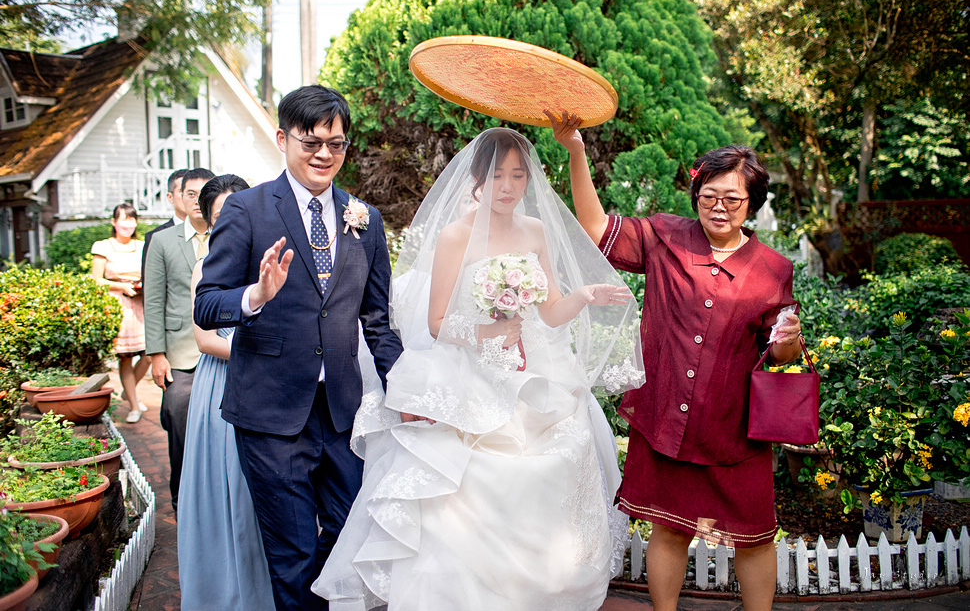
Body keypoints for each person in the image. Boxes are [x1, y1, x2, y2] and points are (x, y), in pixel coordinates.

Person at [311, 128, 646, 610]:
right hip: (469, 371)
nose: (508, 186)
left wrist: (583, 296)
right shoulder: (456, 236)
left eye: (518, 176)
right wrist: (489, 333)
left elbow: (549, 311)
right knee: (466, 480)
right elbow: (438, 320)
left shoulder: (534, 231)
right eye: (497, 175)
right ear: (476, 179)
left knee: (558, 456)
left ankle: (538, 590)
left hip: (531, 370)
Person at [548, 111, 803, 611]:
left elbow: (780, 353)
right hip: (667, 419)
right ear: (696, 195)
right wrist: (576, 149)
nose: (719, 207)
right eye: (709, 196)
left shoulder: (774, 270)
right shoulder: (665, 237)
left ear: (751, 203)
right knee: (668, 529)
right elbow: (596, 227)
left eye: (732, 199)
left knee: (753, 537)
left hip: (735, 428)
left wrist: (789, 339)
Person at [194, 85, 404, 611]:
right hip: (269, 414)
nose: (324, 154)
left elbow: (376, 319)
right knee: (292, 554)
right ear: (284, 139)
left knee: (348, 540)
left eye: (337, 144)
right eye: (312, 142)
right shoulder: (246, 209)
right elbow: (206, 305)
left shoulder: (365, 218)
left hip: (341, 415)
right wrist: (256, 296)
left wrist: (406, 389)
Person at [177, 174, 275, 610]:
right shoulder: (205, 267)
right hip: (223, 383)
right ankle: (229, 594)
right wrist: (260, 353)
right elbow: (204, 339)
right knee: (228, 488)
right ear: (210, 221)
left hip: (271, 386)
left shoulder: (270, 259)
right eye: (222, 216)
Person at [143, 167, 215, 508]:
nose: (198, 201)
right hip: (181, 352)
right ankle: (183, 497)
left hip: (225, 347)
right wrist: (157, 354)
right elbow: (153, 300)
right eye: (191, 194)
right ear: (179, 197)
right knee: (178, 410)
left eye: (205, 193)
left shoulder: (230, 234)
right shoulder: (161, 241)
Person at [91, 203, 149, 423]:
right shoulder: (103, 246)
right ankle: (134, 406)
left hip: (141, 303)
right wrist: (121, 287)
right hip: (119, 306)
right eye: (123, 219)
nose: (128, 224)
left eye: (132, 219)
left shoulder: (143, 245)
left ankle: (129, 389)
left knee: (149, 355)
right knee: (125, 357)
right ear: (114, 222)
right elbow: (96, 279)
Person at [142, 168, 188, 281]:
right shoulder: (155, 237)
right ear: (170, 197)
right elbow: (151, 286)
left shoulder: (213, 231)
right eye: (183, 191)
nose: (189, 197)